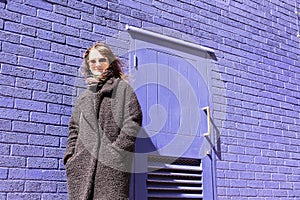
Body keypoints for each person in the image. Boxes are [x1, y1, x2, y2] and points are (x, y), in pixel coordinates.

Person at [63, 42, 143, 200]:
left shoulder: (122, 89)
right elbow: (74, 128)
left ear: (110, 62)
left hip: (111, 166)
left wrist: (116, 152)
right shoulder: (84, 96)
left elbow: (133, 121)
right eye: (92, 61)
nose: (97, 65)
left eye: (101, 60)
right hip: (81, 166)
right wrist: (70, 155)